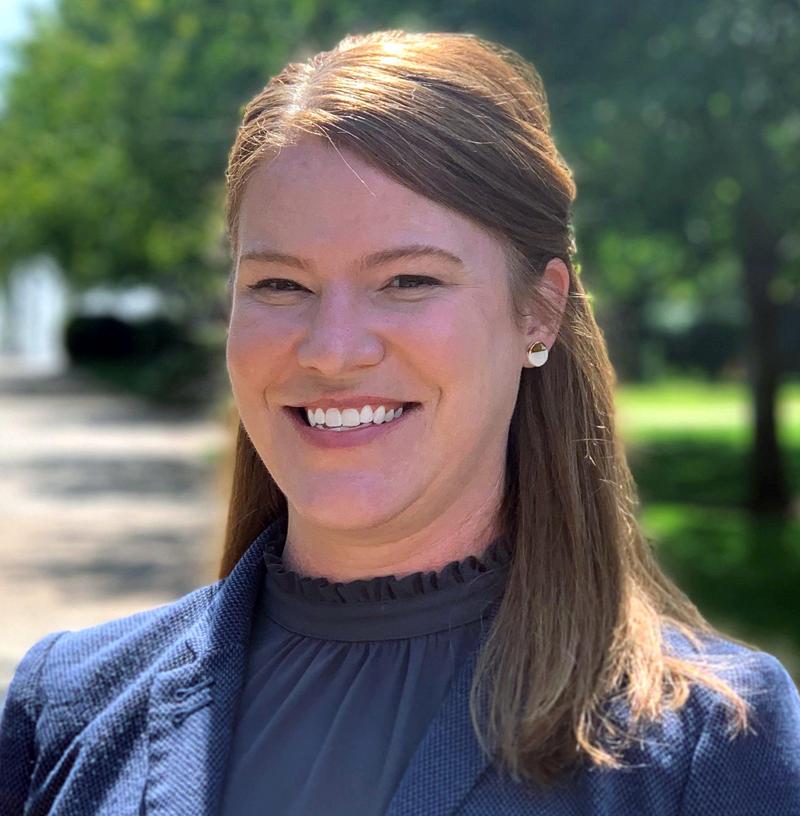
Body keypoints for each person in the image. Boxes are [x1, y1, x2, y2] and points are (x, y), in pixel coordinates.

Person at [2, 28, 799, 816]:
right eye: (280, 286)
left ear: (540, 312)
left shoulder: (709, 747)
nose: (332, 350)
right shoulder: (62, 709)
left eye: (408, 280)